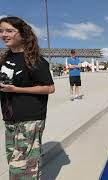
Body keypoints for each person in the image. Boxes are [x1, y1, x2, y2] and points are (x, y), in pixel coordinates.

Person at [0, 16, 55, 179]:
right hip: (10, 118)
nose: (4, 34)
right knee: (13, 161)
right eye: (1, 31)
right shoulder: (6, 58)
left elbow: (50, 88)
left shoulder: (35, 60)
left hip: (29, 119)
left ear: (23, 34)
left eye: (9, 31)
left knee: (23, 168)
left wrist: (16, 89)